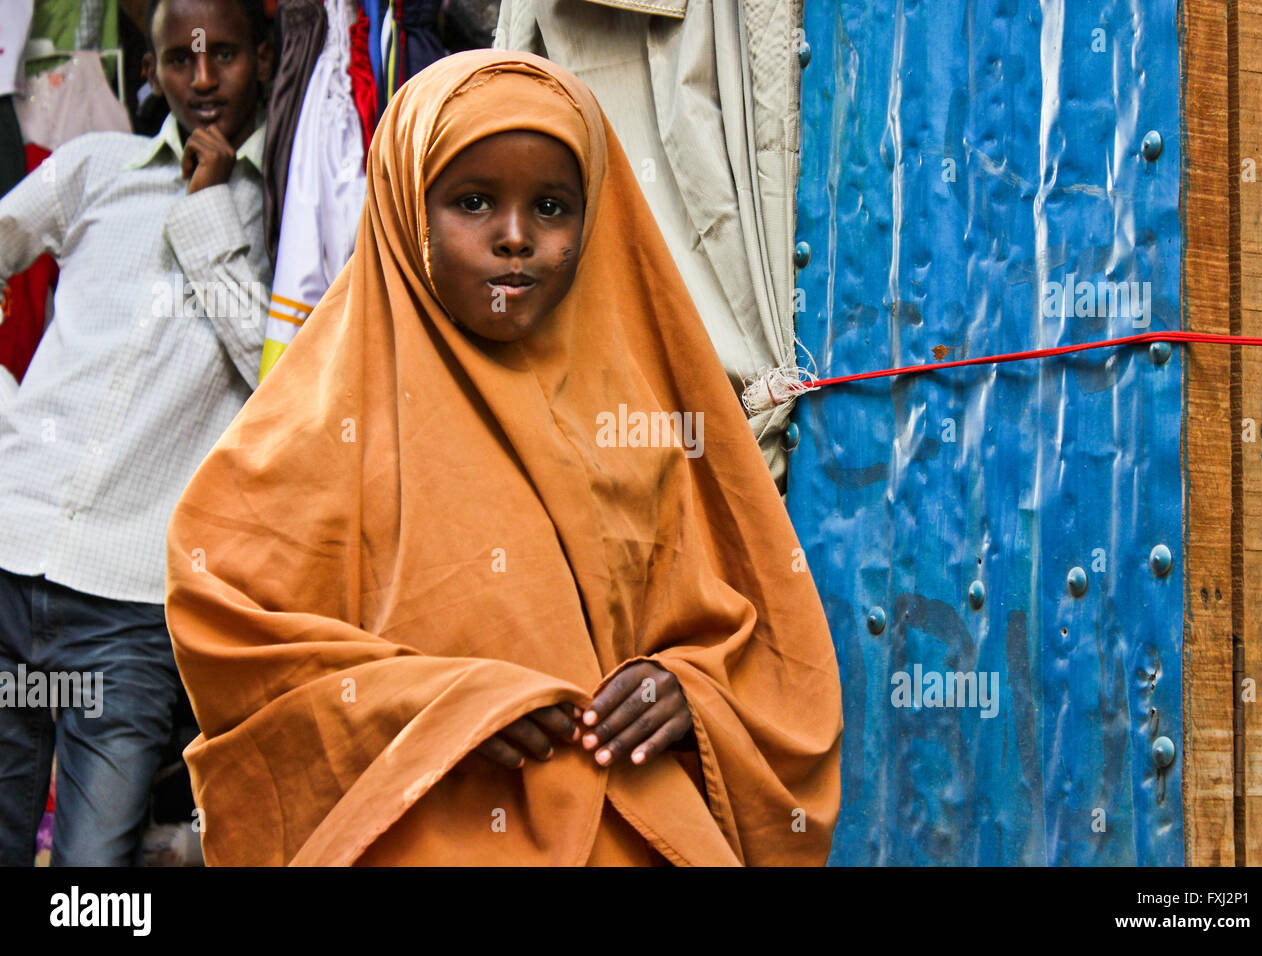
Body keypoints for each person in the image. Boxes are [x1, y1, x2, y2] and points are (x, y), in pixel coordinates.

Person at [164, 49, 843, 866]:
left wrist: (687, 692)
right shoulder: (320, 427)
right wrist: (448, 704)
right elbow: (228, 634)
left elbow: (759, 638)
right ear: (406, 210)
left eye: (552, 207)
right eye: (473, 201)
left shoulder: (650, 421)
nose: (516, 238)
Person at [0, 0, 272, 865]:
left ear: (264, 57)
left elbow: (276, 377)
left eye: (222, 55)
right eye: (178, 60)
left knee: (93, 873)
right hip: (11, 555)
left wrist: (206, 209)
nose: (200, 80)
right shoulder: (97, 167)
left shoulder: (280, 217)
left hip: (127, 609)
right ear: (149, 69)